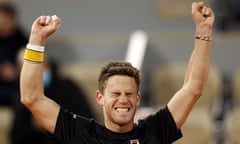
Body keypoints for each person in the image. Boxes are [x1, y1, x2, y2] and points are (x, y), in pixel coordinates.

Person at [20, 1, 214, 144]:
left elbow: (193, 88)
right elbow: (32, 98)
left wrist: (203, 30)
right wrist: (37, 40)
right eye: (115, 93)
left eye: (129, 94)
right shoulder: (81, 134)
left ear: (138, 99)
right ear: (100, 97)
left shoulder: (153, 131)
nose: (123, 99)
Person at [10, 49, 94, 144]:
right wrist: (34, 127)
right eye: (32, 68)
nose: (39, 71)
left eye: (42, 65)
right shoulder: (23, 93)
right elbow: (17, 136)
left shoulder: (67, 87)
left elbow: (87, 120)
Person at [0, 1, 27, 106]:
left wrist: (17, 71)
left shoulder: (22, 39)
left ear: (13, 19)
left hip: (18, 85)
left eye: (5, 20)